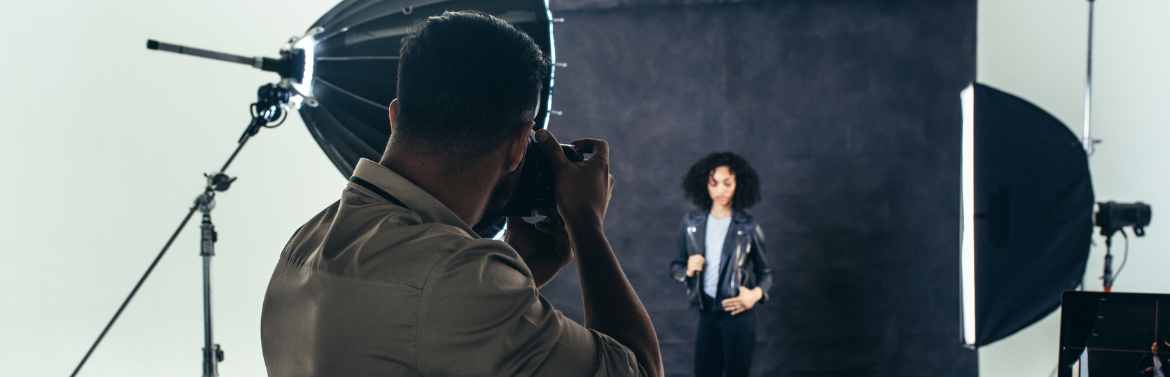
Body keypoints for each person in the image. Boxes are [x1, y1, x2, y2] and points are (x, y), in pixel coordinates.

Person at [260, 11, 662, 377]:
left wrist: (525, 269)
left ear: (395, 114)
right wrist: (586, 226)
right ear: (520, 144)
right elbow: (640, 371)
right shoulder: (454, 278)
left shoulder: (305, 245)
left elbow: (417, 333)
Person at [670, 152, 773, 377]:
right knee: (705, 372)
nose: (720, 190)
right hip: (707, 312)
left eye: (727, 183)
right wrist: (687, 268)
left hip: (739, 314)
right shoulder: (691, 224)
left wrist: (754, 295)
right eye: (714, 183)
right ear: (704, 185)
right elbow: (676, 267)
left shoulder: (748, 227)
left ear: (738, 184)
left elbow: (766, 274)